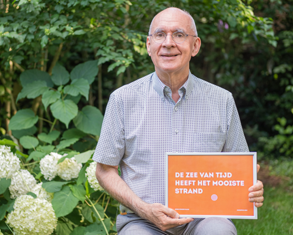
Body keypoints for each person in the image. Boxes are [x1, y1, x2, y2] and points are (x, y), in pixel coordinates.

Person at [93, 7, 264, 235]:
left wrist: (251, 187)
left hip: (204, 218)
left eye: (179, 35)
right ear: (149, 45)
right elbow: (104, 170)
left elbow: (241, 167)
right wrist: (144, 209)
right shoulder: (123, 100)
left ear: (195, 46)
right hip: (142, 221)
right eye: (160, 34)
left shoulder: (221, 100)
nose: (168, 42)